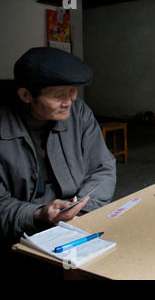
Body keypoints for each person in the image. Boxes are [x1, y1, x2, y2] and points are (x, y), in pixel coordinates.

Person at [0, 47, 116, 245]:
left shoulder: (79, 113)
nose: (69, 102)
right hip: (22, 231)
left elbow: (103, 168)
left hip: (78, 222)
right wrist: (37, 214)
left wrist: (80, 209)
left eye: (72, 92)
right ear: (26, 95)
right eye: (59, 95)